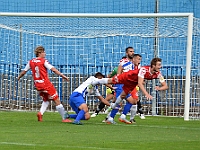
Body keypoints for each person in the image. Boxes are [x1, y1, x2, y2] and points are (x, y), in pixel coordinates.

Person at [92, 58, 168, 124]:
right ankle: (96, 81)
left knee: (123, 96)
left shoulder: (158, 74)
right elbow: (140, 83)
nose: (160, 67)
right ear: (153, 65)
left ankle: (115, 113)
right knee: (112, 80)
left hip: (132, 83)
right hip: (127, 77)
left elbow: (165, 86)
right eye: (158, 65)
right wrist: (146, 93)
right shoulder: (144, 69)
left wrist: (159, 88)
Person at [17, 46, 72, 123]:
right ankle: (64, 118)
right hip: (46, 84)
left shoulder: (31, 61)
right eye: (43, 52)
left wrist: (19, 77)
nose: (45, 53)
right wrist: (62, 75)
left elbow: (24, 71)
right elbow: (53, 69)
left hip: (37, 85)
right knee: (57, 100)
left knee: (46, 99)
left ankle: (40, 113)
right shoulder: (43, 61)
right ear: (40, 53)